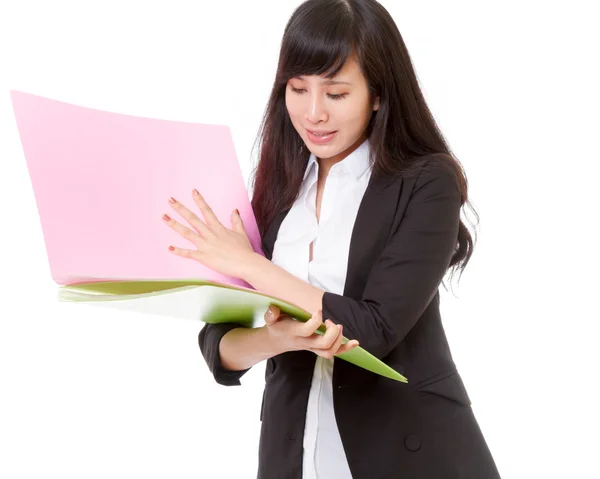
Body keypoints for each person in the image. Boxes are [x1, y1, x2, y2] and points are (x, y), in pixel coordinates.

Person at [163, 0, 501, 477]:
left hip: (413, 454)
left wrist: (251, 265)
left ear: (378, 94)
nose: (314, 113)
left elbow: (377, 329)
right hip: (294, 454)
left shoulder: (427, 182)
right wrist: (275, 339)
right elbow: (218, 347)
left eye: (337, 93)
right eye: (298, 89)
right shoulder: (277, 186)